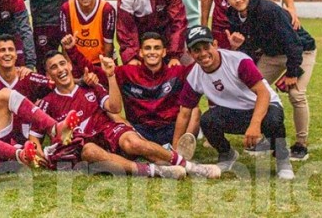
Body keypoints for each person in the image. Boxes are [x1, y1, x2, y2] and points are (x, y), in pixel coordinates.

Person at [31, 50, 220, 179]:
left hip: (108, 130)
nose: (60, 69)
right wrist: (42, 156)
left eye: (62, 63)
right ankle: (155, 171)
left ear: (70, 66)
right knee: (88, 151)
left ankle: (193, 168)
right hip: (87, 146)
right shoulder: (46, 103)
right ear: (48, 75)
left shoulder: (91, 86)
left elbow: (114, 107)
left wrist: (111, 75)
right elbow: (34, 139)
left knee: (134, 143)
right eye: (54, 67)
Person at [172, 25, 294, 180]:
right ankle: (227, 154)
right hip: (234, 112)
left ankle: (282, 160)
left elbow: (263, 94)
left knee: (272, 120)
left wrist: (255, 125)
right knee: (208, 120)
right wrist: (175, 148)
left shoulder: (238, 61)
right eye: (196, 50)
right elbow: (184, 113)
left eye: (206, 47)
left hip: (262, 106)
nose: (203, 53)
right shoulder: (194, 76)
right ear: (190, 53)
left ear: (215, 45)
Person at [224, 0, 316, 161]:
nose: (238, 0)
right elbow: (250, 48)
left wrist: (292, 73)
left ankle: (301, 144)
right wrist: (237, 47)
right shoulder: (234, 15)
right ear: (227, 0)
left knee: (296, 95)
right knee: (251, 90)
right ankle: (267, 137)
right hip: (271, 54)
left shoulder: (268, 9)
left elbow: (294, 44)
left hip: (300, 50)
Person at [112, 32, 194, 147]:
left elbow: (200, 69)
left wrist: (215, 52)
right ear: (141, 52)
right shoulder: (127, 72)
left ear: (164, 52)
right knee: (112, 114)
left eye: (157, 48)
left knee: (194, 110)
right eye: (147, 48)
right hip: (140, 130)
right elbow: (96, 72)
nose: (152, 52)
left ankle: (180, 150)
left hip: (170, 128)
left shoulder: (176, 71)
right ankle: (154, 151)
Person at [58, 0, 116, 68]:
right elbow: (65, 45)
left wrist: (104, 71)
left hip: (100, 61)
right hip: (77, 63)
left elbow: (108, 45)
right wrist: (70, 69)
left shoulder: (106, 9)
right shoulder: (66, 8)